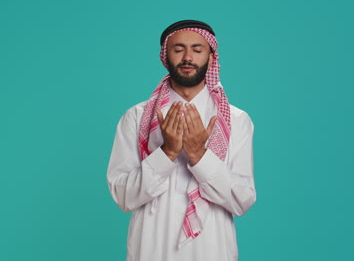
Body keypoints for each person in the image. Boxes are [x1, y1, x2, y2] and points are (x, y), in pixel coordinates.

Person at [106, 20, 256, 261]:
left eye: (197, 50)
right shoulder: (136, 117)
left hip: (213, 249)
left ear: (211, 55)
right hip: (151, 247)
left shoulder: (237, 121)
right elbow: (124, 197)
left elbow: (241, 200)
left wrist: (200, 156)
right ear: (165, 56)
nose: (188, 57)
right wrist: (166, 153)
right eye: (178, 49)